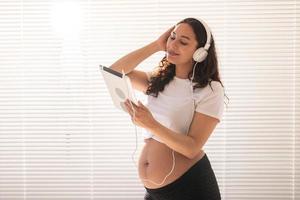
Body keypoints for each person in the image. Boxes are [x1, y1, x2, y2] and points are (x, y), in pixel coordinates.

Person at [110, 17, 227, 200]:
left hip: (190, 188)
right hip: (154, 192)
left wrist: (152, 124)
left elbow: (192, 148)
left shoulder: (210, 89)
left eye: (183, 42)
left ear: (200, 52)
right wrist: (156, 45)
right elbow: (115, 72)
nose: (173, 45)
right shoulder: (157, 80)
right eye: (172, 38)